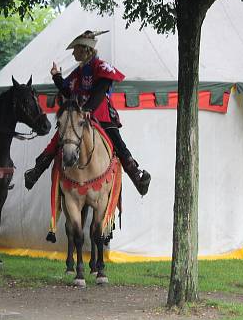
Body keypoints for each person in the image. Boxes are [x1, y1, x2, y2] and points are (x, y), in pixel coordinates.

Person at [24, 30, 151, 196]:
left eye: (75, 48)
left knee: (116, 140)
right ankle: (37, 170)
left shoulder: (101, 66)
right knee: (60, 137)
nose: (73, 52)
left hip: (101, 113)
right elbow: (68, 91)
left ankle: (137, 177)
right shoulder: (79, 71)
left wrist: (89, 109)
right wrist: (56, 77)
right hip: (80, 113)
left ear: (85, 49)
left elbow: (102, 88)